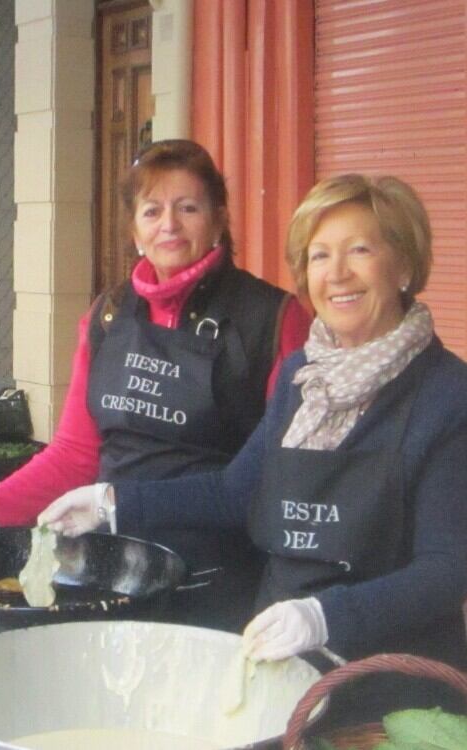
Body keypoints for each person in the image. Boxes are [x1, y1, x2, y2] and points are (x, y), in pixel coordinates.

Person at [42, 174, 467, 722]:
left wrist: (324, 615)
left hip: (390, 698)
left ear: (405, 266)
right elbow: (234, 493)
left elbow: (448, 567)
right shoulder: (301, 377)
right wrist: (111, 502)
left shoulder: (446, 395)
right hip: (281, 673)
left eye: (359, 250)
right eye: (319, 256)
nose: (336, 273)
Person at [0, 139, 311, 631]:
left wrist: (113, 502)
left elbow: (275, 478)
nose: (169, 224)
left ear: (218, 219)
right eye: (152, 211)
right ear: (135, 230)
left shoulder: (272, 318)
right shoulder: (108, 315)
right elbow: (74, 454)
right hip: (110, 570)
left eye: (187, 207)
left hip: (216, 579)